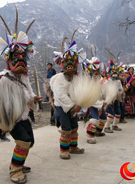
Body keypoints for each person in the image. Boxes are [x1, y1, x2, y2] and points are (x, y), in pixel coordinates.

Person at [0, 8, 42, 183]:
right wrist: (1, 123)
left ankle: (17, 162)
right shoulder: (1, 79)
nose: (20, 60)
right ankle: (15, 171)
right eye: (15, 57)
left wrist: (33, 99)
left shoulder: (23, 78)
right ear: (8, 59)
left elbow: (27, 94)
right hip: (13, 118)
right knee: (24, 141)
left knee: (29, 142)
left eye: (23, 57)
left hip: (24, 115)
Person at [50, 31, 86, 159]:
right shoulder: (59, 78)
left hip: (73, 106)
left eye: (73, 64)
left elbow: (79, 91)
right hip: (62, 107)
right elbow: (60, 95)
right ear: (63, 64)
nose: (70, 67)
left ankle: (73, 146)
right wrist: (73, 106)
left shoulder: (76, 78)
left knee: (74, 126)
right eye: (67, 64)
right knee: (66, 128)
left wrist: (79, 104)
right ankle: (64, 150)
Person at [82, 57, 107, 144]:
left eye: (97, 71)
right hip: (92, 102)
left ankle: (98, 131)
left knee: (103, 118)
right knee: (94, 119)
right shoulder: (87, 79)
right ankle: (90, 136)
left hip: (100, 102)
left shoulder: (100, 79)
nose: (95, 73)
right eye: (93, 71)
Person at [104, 59, 123, 133]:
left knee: (118, 112)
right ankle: (107, 127)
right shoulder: (107, 81)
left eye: (116, 72)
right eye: (113, 71)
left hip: (115, 99)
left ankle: (114, 125)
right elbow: (104, 91)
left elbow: (120, 89)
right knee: (111, 113)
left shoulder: (118, 81)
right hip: (109, 100)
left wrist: (119, 93)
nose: (115, 73)